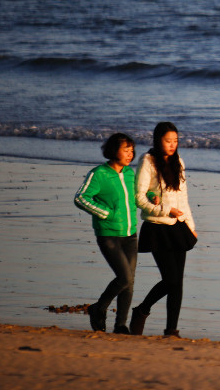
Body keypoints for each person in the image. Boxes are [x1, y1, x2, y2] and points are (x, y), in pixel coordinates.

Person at [130, 122, 197, 338]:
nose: (172, 145)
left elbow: (183, 198)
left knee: (178, 282)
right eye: (168, 141)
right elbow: (139, 198)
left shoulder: (179, 161)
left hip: (179, 228)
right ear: (158, 140)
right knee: (171, 280)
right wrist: (165, 210)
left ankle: (171, 330)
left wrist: (191, 225)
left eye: (175, 141)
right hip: (158, 228)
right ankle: (142, 310)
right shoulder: (147, 161)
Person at [74, 132, 139, 334]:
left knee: (129, 282)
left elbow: (137, 195)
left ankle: (120, 325)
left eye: (131, 150)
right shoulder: (99, 173)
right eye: (125, 150)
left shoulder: (129, 173)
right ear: (113, 151)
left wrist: (152, 196)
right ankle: (98, 309)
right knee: (124, 278)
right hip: (108, 234)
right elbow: (81, 198)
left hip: (130, 234)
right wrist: (105, 214)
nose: (130, 154)